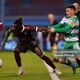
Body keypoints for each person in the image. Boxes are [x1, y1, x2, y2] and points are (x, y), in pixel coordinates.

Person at [49, 5, 80, 74]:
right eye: (66, 11)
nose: (66, 12)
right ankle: (73, 65)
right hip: (66, 43)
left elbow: (66, 29)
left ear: (73, 11)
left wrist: (54, 30)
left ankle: (77, 64)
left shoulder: (75, 20)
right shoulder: (65, 18)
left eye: (68, 11)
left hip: (74, 42)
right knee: (61, 61)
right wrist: (50, 28)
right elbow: (58, 25)